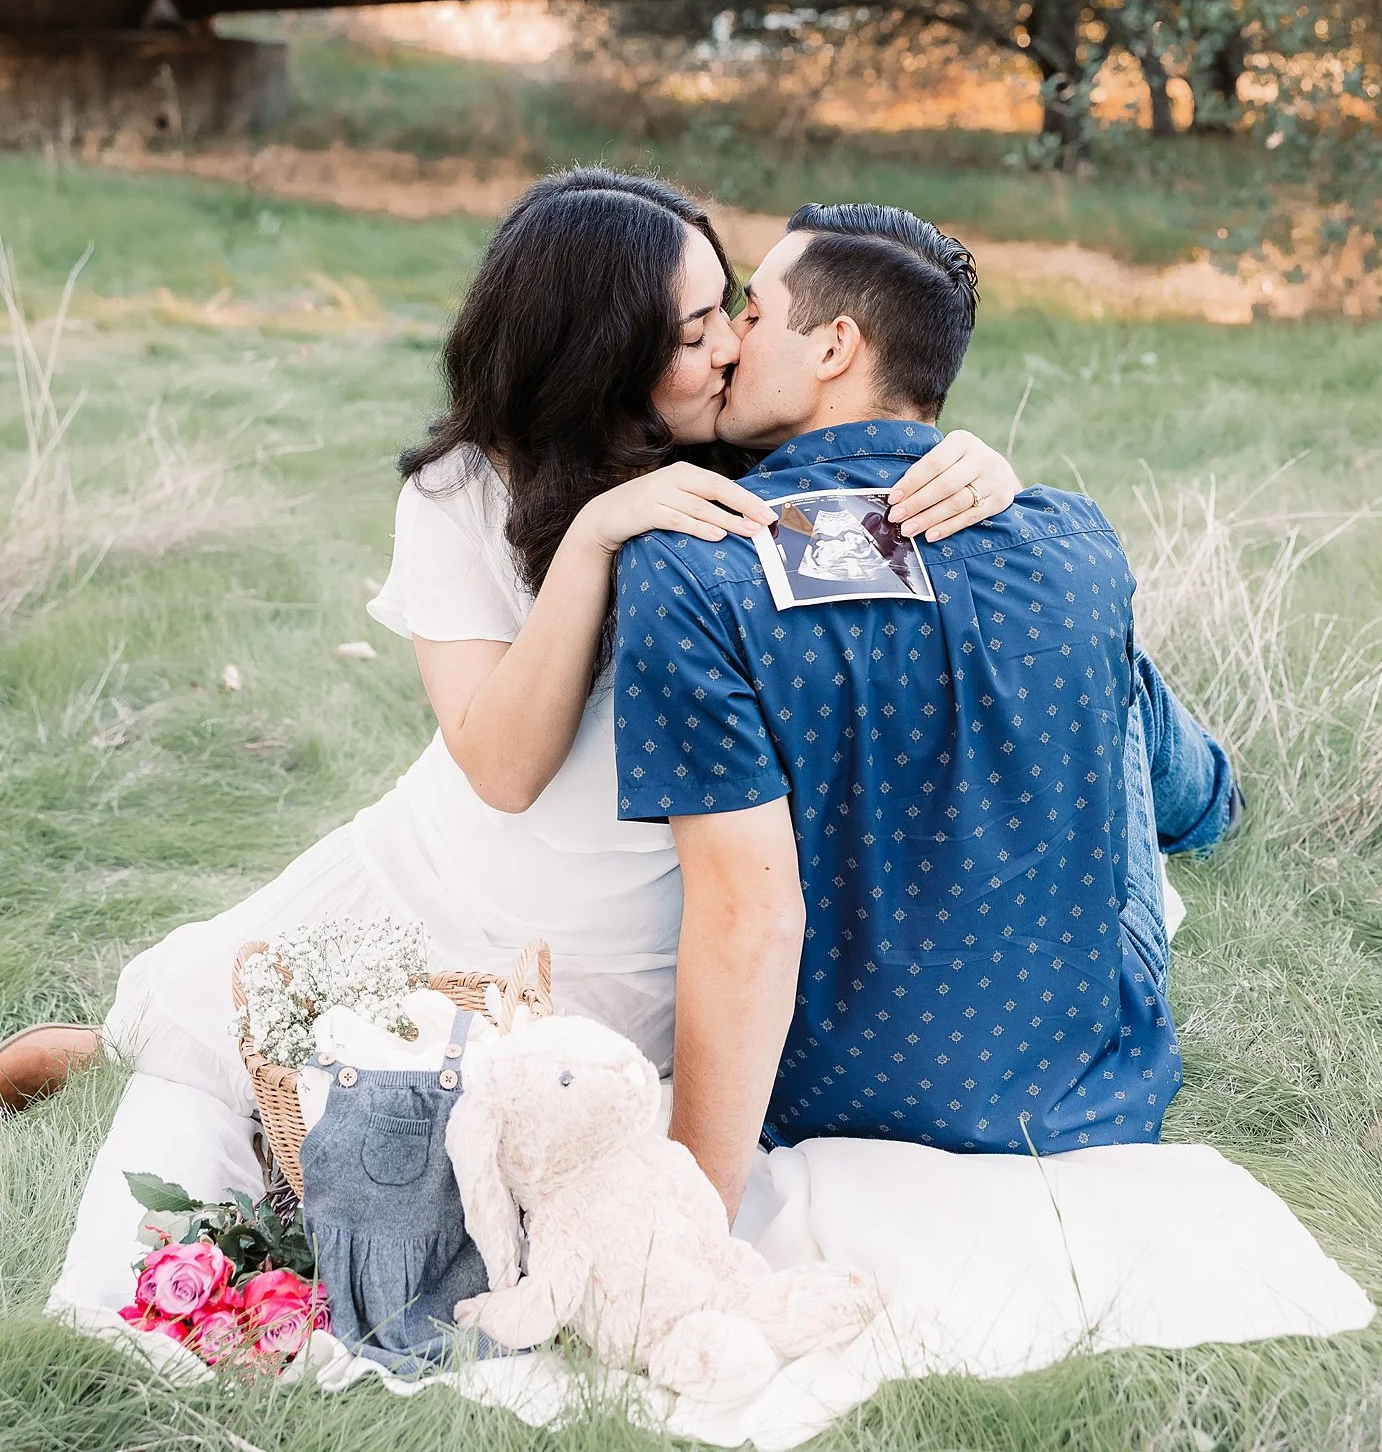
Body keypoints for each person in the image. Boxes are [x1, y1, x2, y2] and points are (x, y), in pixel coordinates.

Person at [28, 171, 1021, 1309]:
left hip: (617, 952)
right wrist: (595, 538)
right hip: (434, 873)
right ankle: (82, 1052)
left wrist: (982, 466)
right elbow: (500, 767)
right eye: (695, 329)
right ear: (604, 348)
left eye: (726, 313)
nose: (729, 351)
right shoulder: (460, 492)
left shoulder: (739, 453)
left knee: (456, 1157)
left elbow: (882, 461)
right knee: (181, 1036)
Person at [613, 203, 1237, 1220]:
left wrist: (688, 1223)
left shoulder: (684, 567)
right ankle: (1211, 801)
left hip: (828, 1084)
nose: (728, 341)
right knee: (1106, 665)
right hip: (1080, 1079)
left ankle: (1209, 792)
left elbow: (749, 916)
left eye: (753, 312)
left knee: (1092, 667)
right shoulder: (1075, 535)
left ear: (833, 345)